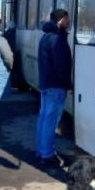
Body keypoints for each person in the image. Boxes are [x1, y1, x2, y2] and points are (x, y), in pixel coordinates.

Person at [35, 9, 72, 168]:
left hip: (46, 84)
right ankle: (47, 155)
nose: (69, 21)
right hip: (56, 85)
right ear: (61, 19)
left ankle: (41, 150)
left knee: (44, 118)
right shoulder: (57, 38)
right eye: (67, 18)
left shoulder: (46, 36)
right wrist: (67, 84)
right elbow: (60, 66)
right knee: (51, 121)